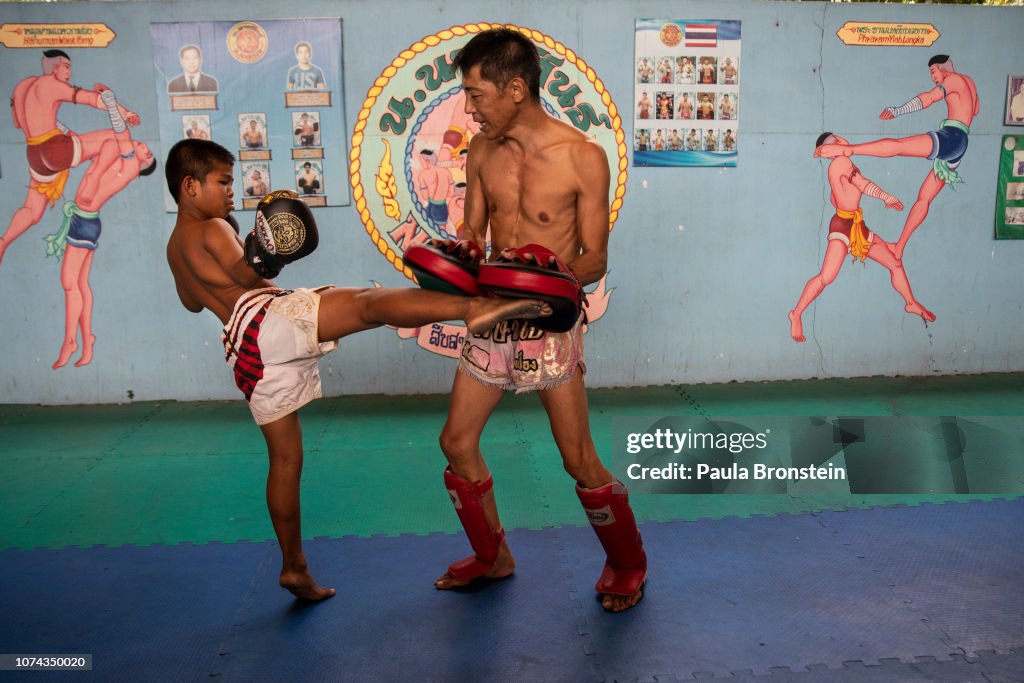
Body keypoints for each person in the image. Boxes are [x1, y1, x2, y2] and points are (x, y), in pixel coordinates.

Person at [164, 138, 550, 601]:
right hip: (267, 320)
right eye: (223, 182)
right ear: (190, 186)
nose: (232, 192)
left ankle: (293, 567)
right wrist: (269, 249)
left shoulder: (175, 246)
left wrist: (248, 254)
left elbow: (191, 302)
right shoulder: (211, 229)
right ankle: (469, 307)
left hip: (245, 351)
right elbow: (249, 276)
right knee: (370, 304)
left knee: (285, 462)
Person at [435, 28, 647, 613]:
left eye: (477, 95)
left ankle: (628, 562)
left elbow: (595, 257)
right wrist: (466, 251)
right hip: (492, 317)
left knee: (576, 457)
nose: (469, 107)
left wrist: (544, 279)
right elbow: (472, 230)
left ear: (516, 88)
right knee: (455, 440)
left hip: (550, 322)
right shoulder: (480, 151)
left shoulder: (583, 157)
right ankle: (493, 556)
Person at [814, 55, 978, 261]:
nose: (934, 77)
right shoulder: (969, 83)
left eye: (933, 72)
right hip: (961, 145)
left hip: (951, 136)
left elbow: (928, 98)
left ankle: (851, 149)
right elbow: (975, 109)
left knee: (899, 147)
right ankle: (899, 246)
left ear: (942, 67)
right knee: (924, 198)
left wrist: (898, 110)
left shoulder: (952, 79)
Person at [45, 87, 157, 368]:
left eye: (148, 151)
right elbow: (75, 142)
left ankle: (71, 340)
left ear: (143, 163)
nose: (144, 146)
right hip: (84, 220)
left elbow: (120, 130)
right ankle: (86, 339)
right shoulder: (117, 155)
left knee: (69, 283)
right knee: (79, 283)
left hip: (85, 222)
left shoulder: (130, 164)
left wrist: (109, 102)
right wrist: (52, 122)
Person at [790, 133, 934, 343]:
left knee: (894, 262)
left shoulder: (841, 163)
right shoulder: (841, 163)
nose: (842, 139)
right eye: (837, 138)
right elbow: (862, 184)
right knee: (826, 277)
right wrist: (887, 197)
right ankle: (796, 313)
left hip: (857, 226)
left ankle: (910, 302)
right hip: (843, 226)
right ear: (836, 143)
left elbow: (841, 195)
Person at [1, 50, 139, 265]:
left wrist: (61, 128)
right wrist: (125, 112)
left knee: (32, 211)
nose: (69, 72)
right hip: (54, 149)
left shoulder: (23, 86)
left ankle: (2, 242)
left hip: (35, 155)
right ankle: (94, 179)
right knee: (115, 137)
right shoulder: (52, 85)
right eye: (66, 66)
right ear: (54, 66)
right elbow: (93, 99)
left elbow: (19, 123)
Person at [416, 149, 453, 227]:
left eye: (421, 161)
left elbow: (425, 197)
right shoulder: (447, 173)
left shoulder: (422, 174)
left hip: (430, 206)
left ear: (427, 161)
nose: (421, 164)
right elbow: (451, 193)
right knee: (442, 234)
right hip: (442, 207)